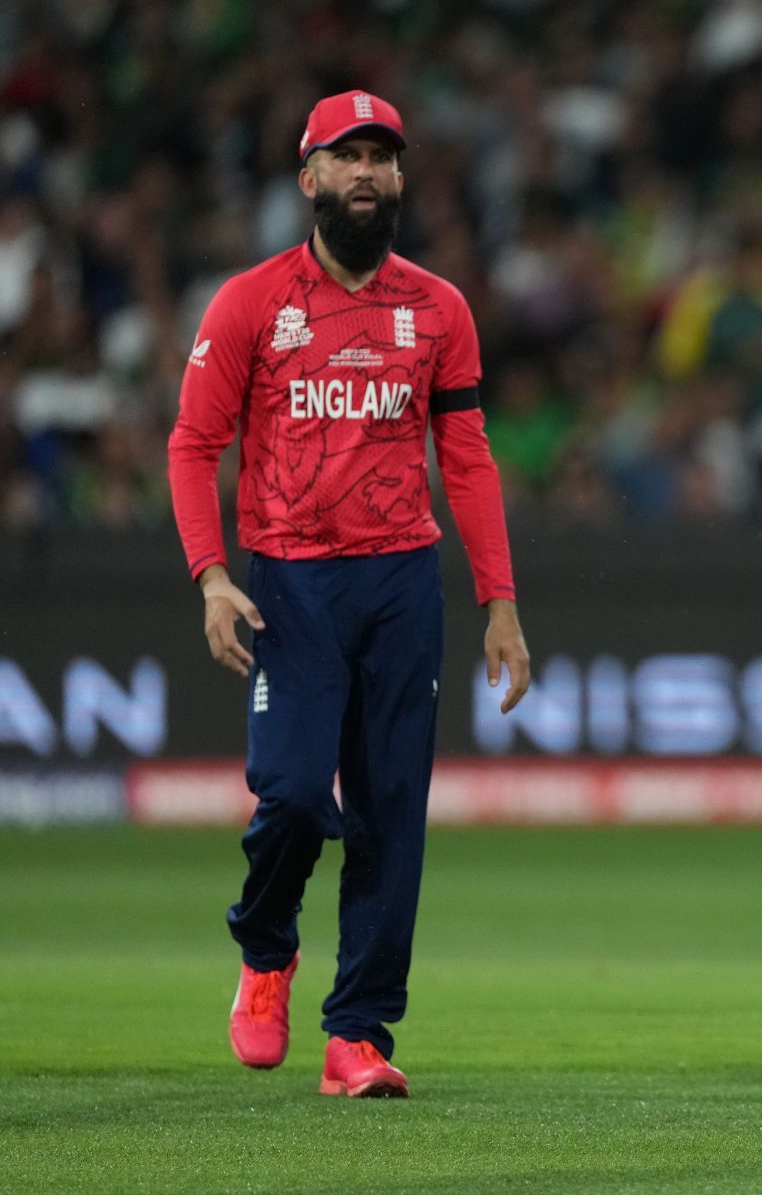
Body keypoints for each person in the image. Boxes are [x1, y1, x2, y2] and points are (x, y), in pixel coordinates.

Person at [167, 90, 531, 1099]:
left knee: (390, 811)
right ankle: (266, 944)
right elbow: (194, 444)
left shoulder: (438, 308)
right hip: (290, 581)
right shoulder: (250, 302)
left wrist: (499, 601)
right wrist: (210, 577)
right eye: (347, 156)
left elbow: (467, 457)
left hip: (401, 583)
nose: (367, 172)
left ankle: (358, 1034)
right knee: (288, 795)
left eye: (382, 156)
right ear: (309, 178)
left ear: (402, 178)